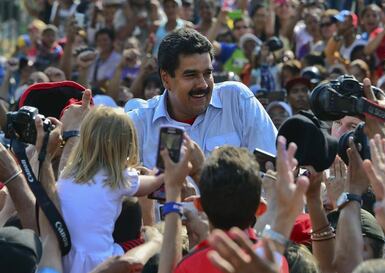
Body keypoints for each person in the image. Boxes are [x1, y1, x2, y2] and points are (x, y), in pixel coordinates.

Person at [128, 28, 277, 168]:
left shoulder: (237, 100)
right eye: (191, 75)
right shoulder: (139, 123)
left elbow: (271, 174)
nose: (203, 84)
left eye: (207, 73)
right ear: (166, 79)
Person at [57, 105, 165, 273]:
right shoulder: (118, 177)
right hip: (101, 260)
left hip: (66, 258)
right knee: (146, 245)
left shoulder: (68, 172)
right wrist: (161, 173)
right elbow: (152, 184)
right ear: (125, 145)